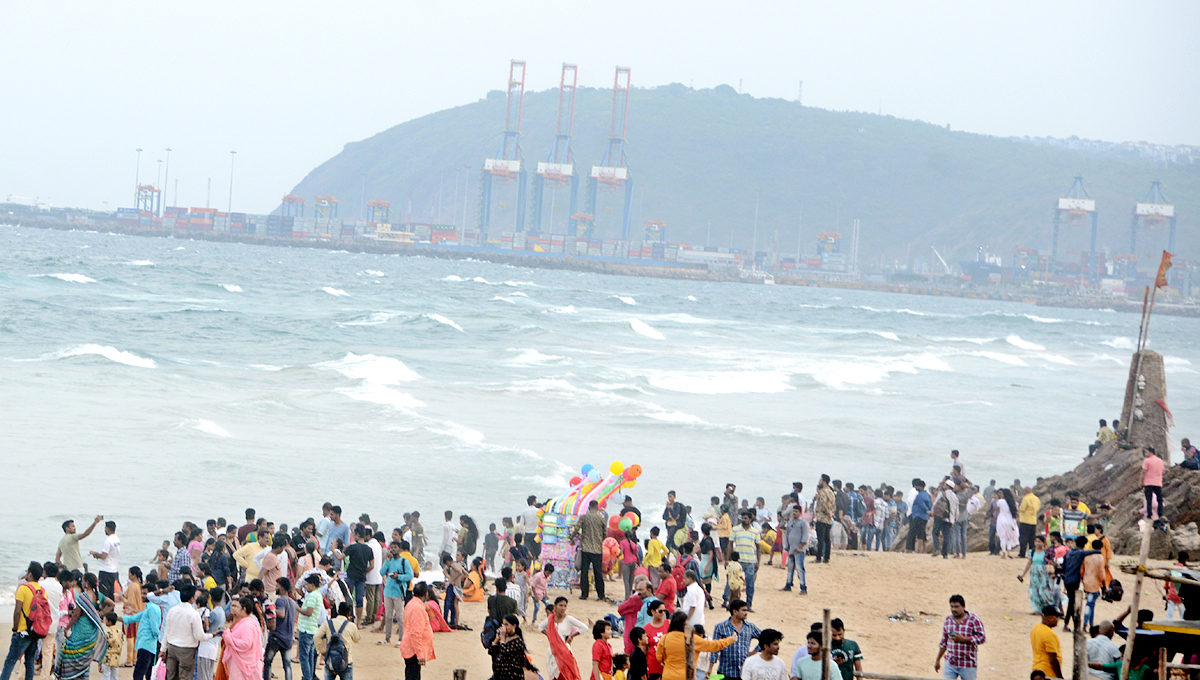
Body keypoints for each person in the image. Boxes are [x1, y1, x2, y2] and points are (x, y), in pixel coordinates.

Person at [57, 571, 113, 680]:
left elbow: (76, 615)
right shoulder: (99, 596)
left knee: (70, 653)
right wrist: (100, 614)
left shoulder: (83, 597)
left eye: (82, 581)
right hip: (91, 633)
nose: (81, 583)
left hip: (80, 631)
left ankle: (71, 676)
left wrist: (68, 627)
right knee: (85, 657)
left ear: (86, 583)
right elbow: (111, 604)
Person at [655, 611, 735, 680]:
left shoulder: (664, 638)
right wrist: (729, 640)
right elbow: (713, 646)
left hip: (669, 675)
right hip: (687, 676)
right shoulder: (692, 639)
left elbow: (659, 657)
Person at [2, 562, 46, 680]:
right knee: (30, 661)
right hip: (34, 632)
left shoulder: (23, 589)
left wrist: (15, 629)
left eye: (27, 571)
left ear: (30, 574)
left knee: (10, 661)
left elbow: (17, 611)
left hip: (22, 631)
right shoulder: (42, 591)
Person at [161, 584, 212, 680]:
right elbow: (199, 636)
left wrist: (163, 649)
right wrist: (210, 635)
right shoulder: (194, 614)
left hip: (172, 647)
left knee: (170, 676)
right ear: (192, 599)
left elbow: (166, 632)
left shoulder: (172, 611)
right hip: (187, 650)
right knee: (185, 676)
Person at [933, 594, 985, 680]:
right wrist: (938, 659)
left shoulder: (973, 620)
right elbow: (944, 642)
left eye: (957, 607)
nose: (954, 609)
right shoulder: (948, 620)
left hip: (967, 664)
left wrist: (965, 639)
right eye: (952, 607)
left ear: (963, 607)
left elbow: (982, 637)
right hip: (950, 662)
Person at [538, 597, 589, 680]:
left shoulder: (568, 619)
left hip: (565, 651)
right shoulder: (550, 619)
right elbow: (540, 627)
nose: (563, 608)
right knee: (554, 675)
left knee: (565, 674)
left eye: (565, 606)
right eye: (560, 605)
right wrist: (550, 635)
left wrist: (572, 636)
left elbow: (584, 628)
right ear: (555, 606)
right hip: (553, 651)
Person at [122, 578, 162, 680]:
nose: (142, 596)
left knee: (138, 674)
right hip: (146, 645)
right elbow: (134, 618)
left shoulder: (152, 608)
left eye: (145, 593)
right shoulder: (149, 607)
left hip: (147, 645)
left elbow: (155, 629)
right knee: (148, 674)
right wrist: (113, 618)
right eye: (142, 593)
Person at [711, 600, 760, 680]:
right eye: (743, 610)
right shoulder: (721, 627)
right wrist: (710, 668)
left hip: (745, 672)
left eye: (746, 610)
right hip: (725, 671)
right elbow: (714, 648)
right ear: (735, 611)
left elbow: (765, 638)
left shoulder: (750, 627)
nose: (746, 613)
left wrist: (754, 652)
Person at [1061, 537, 1100, 633]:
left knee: (1072, 602)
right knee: (1072, 604)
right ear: (1084, 545)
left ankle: (1072, 625)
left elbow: (1063, 567)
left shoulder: (1069, 552)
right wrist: (1099, 550)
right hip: (1074, 580)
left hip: (1067, 580)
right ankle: (1068, 625)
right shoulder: (1081, 553)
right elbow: (1093, 552)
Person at [378, 542, 413, 644]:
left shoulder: (404, 562)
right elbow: (381, 572)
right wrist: (387, 561)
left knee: (400, 616)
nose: (393, 549)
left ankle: (401, 638)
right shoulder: (389, 561)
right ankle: (387, 637)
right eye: (392, 547)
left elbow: (410, 576)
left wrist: (399, 577)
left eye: (395, 547)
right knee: (388, 615)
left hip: (399, 592)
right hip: (388, 592)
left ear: (400, 549)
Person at [314, 602, 360, 680]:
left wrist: (322, 651)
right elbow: (357, 639)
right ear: (349, 614)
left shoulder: (328, 623)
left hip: (330, 660)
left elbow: (316, 637)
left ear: (338, 611)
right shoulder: (351, 626)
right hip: (346, 660)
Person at [399, 582, 435, 680]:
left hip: (411, 647)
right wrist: (420, 654)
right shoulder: (417, 608)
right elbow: (415, 633)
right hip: (413, 650)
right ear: (425, 594)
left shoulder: (412, 604)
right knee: (413, 675)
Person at [726, 513, 760, 610]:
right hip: (737, 561)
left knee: (750, 584)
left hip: (751, 561)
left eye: (746, 518)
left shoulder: (755, 532)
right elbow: (730, 544)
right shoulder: (736, 529)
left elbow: (758, 547)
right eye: (742, 518)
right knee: (733, 583)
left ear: (750, 519)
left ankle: (748, 605)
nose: (744, 520)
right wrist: (728, 559)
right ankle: (729, 603)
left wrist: (758, 562)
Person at [1018, 536, 1060, 614]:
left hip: (1044, 574)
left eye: (1039, 541)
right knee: (1035, 591)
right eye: (1036, 541)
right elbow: (1029, 563)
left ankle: (1049, 607)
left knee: (1044, 591)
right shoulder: (1032, 551)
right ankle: (1037, 609)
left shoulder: (1046, 551)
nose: (1037, 543)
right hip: (1034, 574)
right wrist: (1023, 574)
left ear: (1043, 543)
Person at [265, 579, 296, 680]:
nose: (275, 588)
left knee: (267, 662)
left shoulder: (280, 600)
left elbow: (281, 614)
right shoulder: (292, 602)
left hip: (277, 637)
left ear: (282, 588)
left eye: (277, 586)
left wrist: (270, 610)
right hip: (288, 639)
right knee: (287, 665)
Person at [490, 614, 538, 680]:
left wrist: (503, 639)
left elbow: (504, 653)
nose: (504, 627)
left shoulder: (517, 641)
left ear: (514, 626)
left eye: (507, 624)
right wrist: (496, 639)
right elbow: (491, 651)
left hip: (511, 675)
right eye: (503, 624)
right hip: (499, 675)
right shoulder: (504, 638)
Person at [578, 501, 608, 602]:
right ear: (597, 507)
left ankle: (584, 594)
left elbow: (577, 529)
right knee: (598, 572)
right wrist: (599, 540)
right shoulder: (601, 518)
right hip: (597, 550)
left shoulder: (584, 517)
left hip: (586, 549)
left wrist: (572, 538)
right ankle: (601, 594)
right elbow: (605, 534)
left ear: (589, 507)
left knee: (584, 571)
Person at [88, 521, 121, 601]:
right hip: (114, 569)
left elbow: (103, 556)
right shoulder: (116, 539)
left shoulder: (108, 541)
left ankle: (105, 611)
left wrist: (94, 553)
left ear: (107, 529)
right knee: (111, 593)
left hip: (106, 570)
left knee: (104, 594)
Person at [618, 580, 653, 655]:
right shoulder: (654, 601)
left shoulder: (636, 599)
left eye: (640, 589)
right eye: (637, 590)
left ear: (649, 590)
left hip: (634, 632)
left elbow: (620, 609)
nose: (638, 592)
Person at [195, 589, 223, 680]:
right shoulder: (221, 612)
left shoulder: (213, 613)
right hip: (213, 647)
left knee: (203, 675)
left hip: (206, 647)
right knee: (208, 675)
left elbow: (204, 627)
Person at [1030, 605, 1062, 679]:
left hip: (1036, 668)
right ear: (1050, 618)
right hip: (1048, 672)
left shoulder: (1036, 628)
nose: (1058, 619)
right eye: (1056, 617)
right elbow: (1053, 659)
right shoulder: (1049, 633)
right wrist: (1059, 677)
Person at [781, 505, 808, 593]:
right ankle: (788, 584)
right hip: (791, 549)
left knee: (800, 568)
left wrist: (800, 547)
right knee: (790, 567)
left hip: (799, 550)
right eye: (793, 511)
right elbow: (787, 535)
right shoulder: (790, 522)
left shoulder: (803, 523)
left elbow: (805, 536)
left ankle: (803, 587)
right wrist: (787, 547)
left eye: (796, 512)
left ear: (800, 513)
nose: (794, 513)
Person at [641, 600, 670, 680]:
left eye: (665, 611)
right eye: (660, 611)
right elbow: (644, 650)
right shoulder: (646, 629)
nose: (663, 613)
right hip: (653, 664)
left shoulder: (669, 624)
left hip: (668, 664)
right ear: (653, 611)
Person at [813, 476, 835, 564]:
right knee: (827, 539)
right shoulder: (831, 492)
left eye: (820, 480)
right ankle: (826, 558)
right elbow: (834, 505)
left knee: (820, 539)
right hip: (829, 520)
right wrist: (831, 513)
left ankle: (818, 558)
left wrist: (828, 512)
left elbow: (823, 503)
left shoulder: (823, 492)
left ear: (824, 482)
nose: (819, 482)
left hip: (821, 517)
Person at [1142, 447, 1166, 526]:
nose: (1145, 454)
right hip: (1158, 482)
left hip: (1149, 482)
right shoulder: (1160, 461)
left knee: (1149, 499)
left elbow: (1143, 471)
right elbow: (1163, 471)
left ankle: (1149, 514)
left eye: (1146, 452)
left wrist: (1140, 481)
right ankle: (1160, 513)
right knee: (1159, 499)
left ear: (1151, 452)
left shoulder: (1147, 460)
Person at [906, 480, 931, 554]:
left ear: (920, 487)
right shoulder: (927, 494)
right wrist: (929, 510)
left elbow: (921, 504)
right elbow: (930, 504)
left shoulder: (919, 495)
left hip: (918, 515)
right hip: (925, 516)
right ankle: (924, 549)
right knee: (923, 532)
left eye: (917, 486)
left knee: (919, 533)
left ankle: (918, 550)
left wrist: (927, 510)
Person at [995, 489, 1020, 559]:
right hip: (1010, 520)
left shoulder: (1000, 501)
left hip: (1002, 519)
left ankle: (1004, 553)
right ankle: (1008, 551)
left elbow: (997, 510)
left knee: (1002, 536)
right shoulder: (1013, 502)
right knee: (1009, 536)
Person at [1018, 487, 1041, 559]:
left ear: (1025, 491)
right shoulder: (1036, 499)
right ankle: (1031, 554)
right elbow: (1038, 508)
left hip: (1025, 520)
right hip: (1033, 520)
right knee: (1032, 539)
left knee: (1023, 538)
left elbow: (1022, 509)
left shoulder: (1026, 498)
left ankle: (1022, 553)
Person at [618, 531, 641, 600]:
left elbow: (621, 552)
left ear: (624, 536)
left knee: (626, 580)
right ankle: (630, 595)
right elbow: (637, 555)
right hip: (633, 562)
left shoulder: (622, 542)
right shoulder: (634, 544)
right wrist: (639, 563)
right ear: (631, 537)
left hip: (626, 562)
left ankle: (627, 596)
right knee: (631, 580)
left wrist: (617, 555)